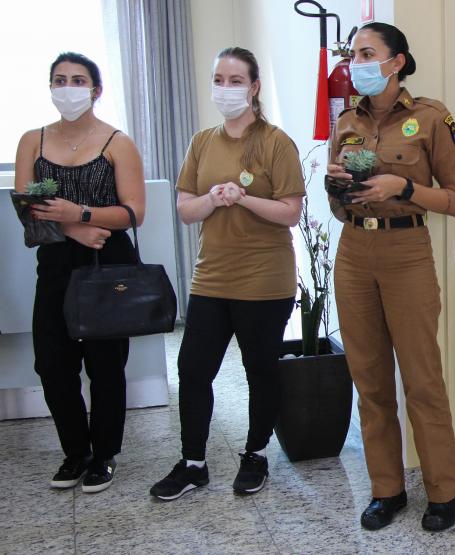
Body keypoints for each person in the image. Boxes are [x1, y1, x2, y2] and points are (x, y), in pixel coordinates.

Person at [326, 22, 455, 532]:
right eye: (353, 53)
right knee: (370, 380)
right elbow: (334, 200)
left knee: (422, 380)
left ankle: (443, 493)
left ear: (397, 62)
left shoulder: (430, 118)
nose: (356, 61)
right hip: (354, 251)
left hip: (407, 250)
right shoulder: (346, 121)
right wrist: (342, 189)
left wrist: (401, 185)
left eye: (368, 52)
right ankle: (386, 490)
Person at [149, 47, 304, 500]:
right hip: (211, 277)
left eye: (236, 80)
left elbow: (291, 212)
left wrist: (243, 197)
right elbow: (183, 210)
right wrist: (214, 199)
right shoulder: (202, 142)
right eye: (220, 79)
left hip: (264, 279)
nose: (226, 88)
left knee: (260, 370)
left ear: (254, 88)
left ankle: (256, 454)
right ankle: (193, 462)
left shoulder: (276, 141)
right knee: (193, 370)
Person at [13, 52, 146, 493]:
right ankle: (75, 452)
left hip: (107, 262)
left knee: (106, 365)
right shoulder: (32, 140)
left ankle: (104, 454)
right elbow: (25, 208)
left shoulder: (117, 143)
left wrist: (82, 213)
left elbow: (133, 213)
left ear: (95, 89)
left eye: (77, 80)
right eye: (59, 80)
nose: (67, 87)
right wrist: (73, 226)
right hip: (54, 262)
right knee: (52, 364)